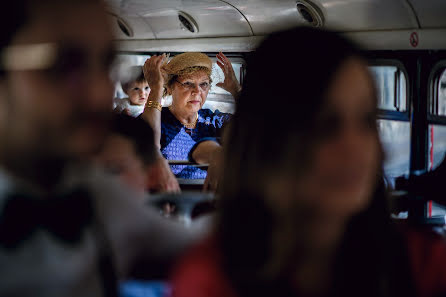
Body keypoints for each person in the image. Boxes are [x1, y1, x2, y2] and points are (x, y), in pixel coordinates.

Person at [170, 27, 446, 297]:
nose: (356, 147)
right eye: (326, 126)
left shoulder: (424, 262)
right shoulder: (210, 276)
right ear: (271, 142)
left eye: (366, 121)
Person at [0, 0, 208, 296]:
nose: (99, 93)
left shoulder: (98, 196)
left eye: (106, 64)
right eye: (65, 65)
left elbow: (193, 244)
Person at [141, 52, 241, 191]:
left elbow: (253, 129)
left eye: (204, 84)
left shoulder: (213, 120)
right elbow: (146, 145)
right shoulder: (157, 118)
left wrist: (237, 91)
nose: (197, 91)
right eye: (188, 83)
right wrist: (156, 88)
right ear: (170, 87)